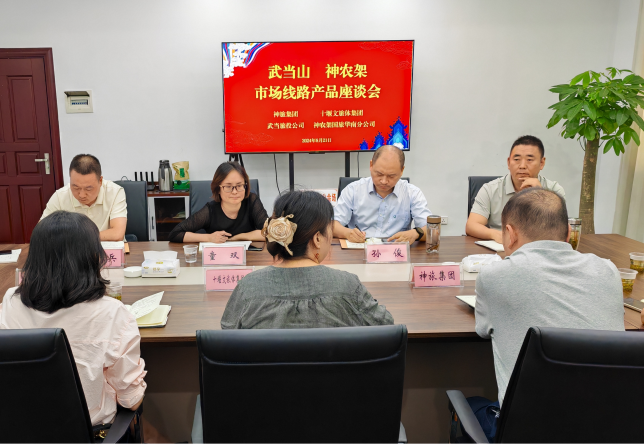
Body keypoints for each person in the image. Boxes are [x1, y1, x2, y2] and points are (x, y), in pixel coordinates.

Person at [470, 188, 624, 442]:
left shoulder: (494, 276)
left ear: (510, 234)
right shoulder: (608, 271)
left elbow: (483, 330)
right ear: (568, 233)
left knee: (473, 405)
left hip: (528, 431)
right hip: (611, 428)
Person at [0, 211, 147, 426]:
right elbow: (131, 401)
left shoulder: (10, 303)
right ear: (93, 257)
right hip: (92, 433)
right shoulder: (112, 313)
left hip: (19, 430)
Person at [221, 190, 394, 329]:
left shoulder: (248, 287)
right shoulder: (348, 285)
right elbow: (385, 324)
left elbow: (227, 333)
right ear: (317, 238)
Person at [466, 135, 565, 244]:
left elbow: (559, 231)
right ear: (509, 162)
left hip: (539, 247)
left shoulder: (554, 190)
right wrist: (496, 234)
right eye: (517, 159)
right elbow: (471, 225)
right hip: (501, 247)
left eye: (529, 160)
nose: (522, 166)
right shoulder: (490, 189)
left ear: (542, 163)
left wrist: (539, 194)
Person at [333, 145, 431, 243]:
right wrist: (347, 233)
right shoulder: (353, 190)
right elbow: (332, 225)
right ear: (371, 165)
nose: (384, 181)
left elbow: (432, 229)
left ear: (402, 170)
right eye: (379, 174)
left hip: (396, 249)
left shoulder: (412, 193)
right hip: (361, 248)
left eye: (391, 176)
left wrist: (415, 233)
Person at [168, 162, 268, 243]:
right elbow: (175, 234)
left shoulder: (252, 201)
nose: (234, 192)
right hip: (218, 258)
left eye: (239, 185)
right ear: (218, 189)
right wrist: (209, 238)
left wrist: (238, 237)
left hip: (248, 257)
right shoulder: (210, 211)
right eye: (228, 186)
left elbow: (270, 232)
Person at [41, 154, 127, 241]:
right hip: (73, 248)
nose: (81, 195)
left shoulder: (115, 192)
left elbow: (117, 234)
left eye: (88, 188)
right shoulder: (60, 196)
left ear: (100, 181)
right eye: (76, 187)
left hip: (108, 247)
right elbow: (42, 231)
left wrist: (77, 238)